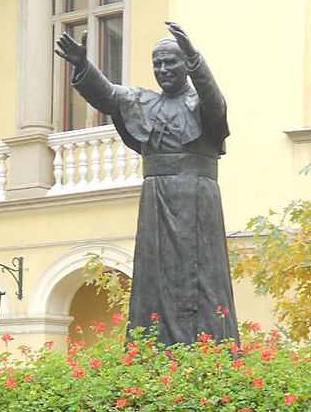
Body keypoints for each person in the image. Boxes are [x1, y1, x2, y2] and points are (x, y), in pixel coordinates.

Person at [55, 21, 239, 347]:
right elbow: (108, 94)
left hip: (196, 195)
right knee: (155, 276)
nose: (163, 69)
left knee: (202, 277)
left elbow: (215, 102)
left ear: (185, 65)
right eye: (158, 64)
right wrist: (83, 65)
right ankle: (151, 350)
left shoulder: (201, 103)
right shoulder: (142, 100)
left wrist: (196, 58)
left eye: (171, 61)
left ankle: (208, 352)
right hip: (156, 196)